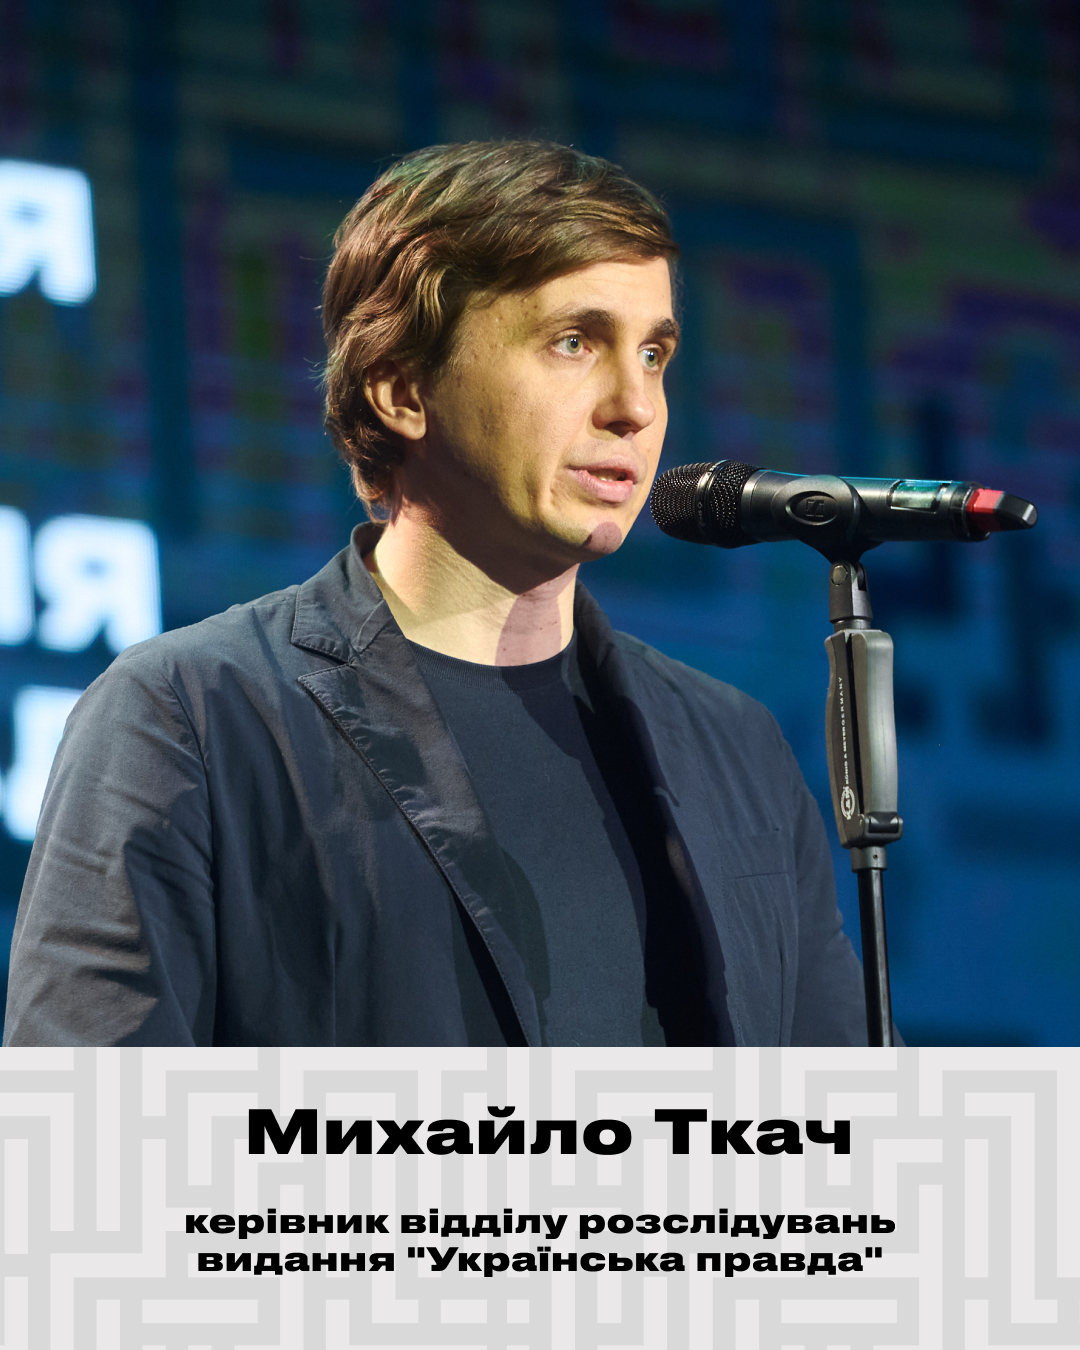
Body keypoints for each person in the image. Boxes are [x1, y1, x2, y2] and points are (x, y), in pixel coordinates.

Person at [4, 141, 869, 1047]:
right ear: (402, 388)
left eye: (653, 353)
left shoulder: (733, 746)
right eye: (574, 342)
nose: (636, 406)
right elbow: (91, 1123)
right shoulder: (193, 718)